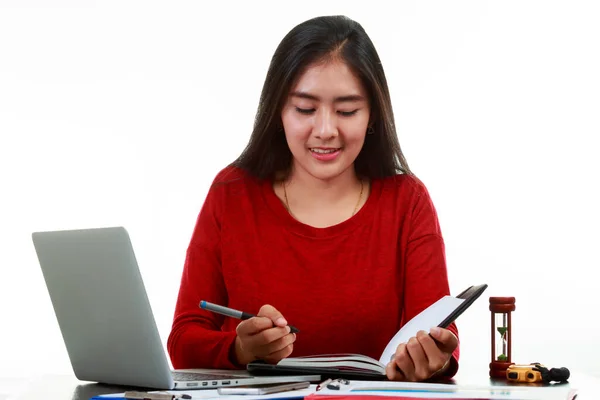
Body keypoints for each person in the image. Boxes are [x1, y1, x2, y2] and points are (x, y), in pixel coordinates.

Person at [167, 15, 460, 382]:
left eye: (347, 111)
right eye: (305, 109)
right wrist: (240, 351)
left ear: (372, 115)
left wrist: (434, 358)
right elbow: (183, 339)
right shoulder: (232, 193)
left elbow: (441, 338)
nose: (325, 131)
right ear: (278, 111)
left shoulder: (407, 201)